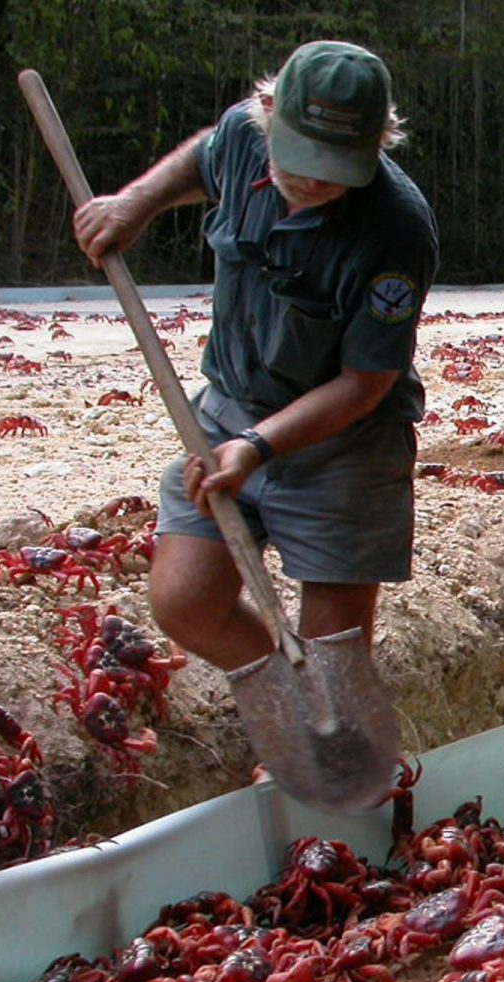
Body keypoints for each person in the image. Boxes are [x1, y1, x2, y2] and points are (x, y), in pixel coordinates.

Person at [73, 40, 436, 672]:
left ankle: (327, 726)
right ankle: (291, 705)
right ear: (267, 112)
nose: (318, 180)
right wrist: (137, 203)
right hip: (227, 410)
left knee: (333, 658)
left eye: (338, 164)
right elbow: (206, 153)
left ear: (382, 140)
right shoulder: (242, 138)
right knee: (185, 602)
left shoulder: (396, 230)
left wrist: (257, 447)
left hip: (344, 444)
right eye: (302, 158)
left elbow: (363, 384)